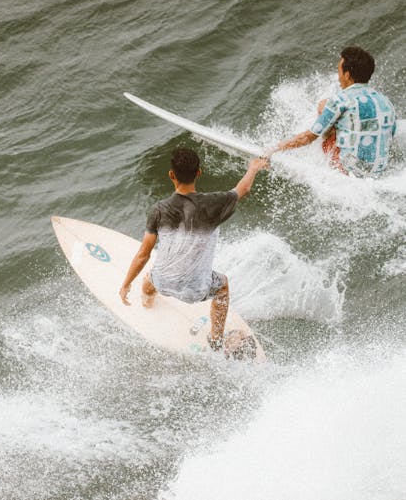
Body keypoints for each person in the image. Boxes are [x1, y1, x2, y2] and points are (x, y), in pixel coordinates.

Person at [118, 148, 268, 351]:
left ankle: (147, 301)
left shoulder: (158, 210)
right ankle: (215, 340)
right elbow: (243, 189)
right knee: (222, 286)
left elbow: (143, 254)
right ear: (199, 172)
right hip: (196, 290)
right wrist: (253, 168)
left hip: (162, 282)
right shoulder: (214, 203)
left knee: (150, 276)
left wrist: (126, 284)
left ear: (171, 175)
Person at [269, 46, 397, 177]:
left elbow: (308, 137)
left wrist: (274, 149)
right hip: (378, 172)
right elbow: (389, 139)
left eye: (339, 71)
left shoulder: (340, 100)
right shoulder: (387, 103)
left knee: (323, 105)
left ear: (347, 75)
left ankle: (328, 163)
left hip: (347, 170)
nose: (338, 77)